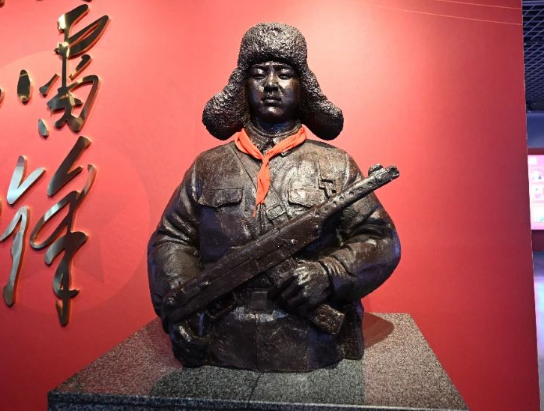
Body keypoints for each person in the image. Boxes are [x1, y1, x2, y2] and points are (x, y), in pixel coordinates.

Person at [147, 23, 401, 372]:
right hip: (221, 341)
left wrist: (329, 273)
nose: (270, 84)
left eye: (283, 73)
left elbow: (380, 239)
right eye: (258, 73)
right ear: (243, 85)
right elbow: (172, 239)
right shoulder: (208, 166)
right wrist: (181, 307)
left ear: (302, 85)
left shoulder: (336, 164)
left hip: (311, 343)